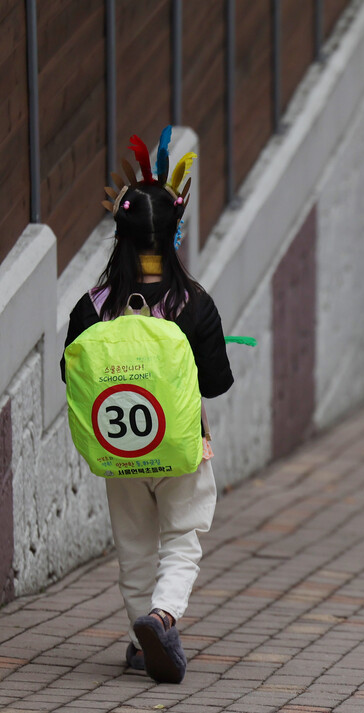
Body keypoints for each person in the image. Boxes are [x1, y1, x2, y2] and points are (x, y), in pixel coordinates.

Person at [61, 130, 234, 684]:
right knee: (182, 537)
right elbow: (217, 383)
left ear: (122, 235)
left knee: (134, 543)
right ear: (173, 235)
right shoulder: (194, 302)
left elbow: (70, 373)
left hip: (121, 450)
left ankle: (140, 639)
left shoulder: (93, 306)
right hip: (182, 446)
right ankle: (163, 616)